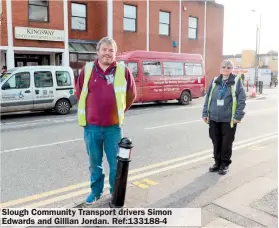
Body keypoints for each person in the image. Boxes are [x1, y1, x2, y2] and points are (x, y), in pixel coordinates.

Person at [75, 37, 137, 204]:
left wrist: (119, 111)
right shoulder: (87, 70)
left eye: (111, 50)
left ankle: (114, 192)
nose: (107, 53)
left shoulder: (123, 70)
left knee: (116, 164)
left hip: (113, 128)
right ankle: (95, 192)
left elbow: (131, 95)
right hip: (91, 127)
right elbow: (79, 93)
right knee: (94, 164)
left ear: (115, 53)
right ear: (98, 52)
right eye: (104, 49)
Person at [202, 60, 246, 175]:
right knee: (216, 141)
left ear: (231, 69)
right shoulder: (215, 81)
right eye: (223, 67)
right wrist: (205, 113)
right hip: (214, 118)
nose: (226, 69)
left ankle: (224, 164)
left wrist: (238, 116)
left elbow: (241, 100)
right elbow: (208, 98)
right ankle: (217, 163)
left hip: (228, 119)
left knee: (226, 142)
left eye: (228, 67)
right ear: (220, 68)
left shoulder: (236, 81)